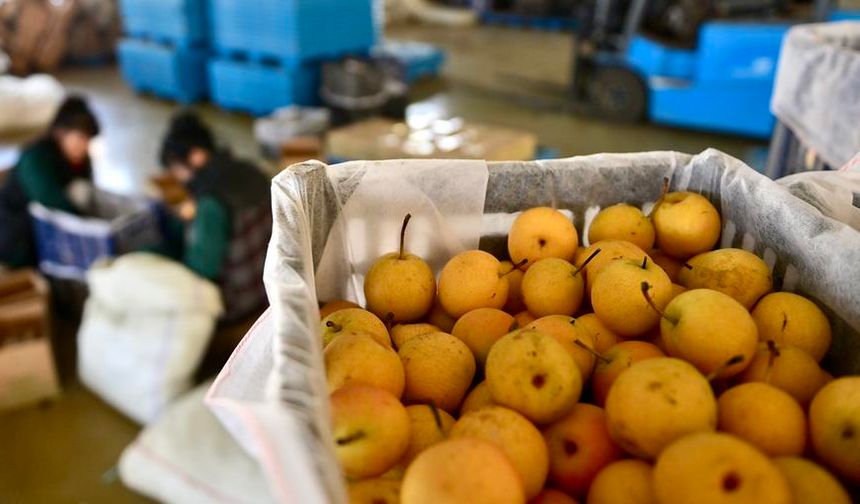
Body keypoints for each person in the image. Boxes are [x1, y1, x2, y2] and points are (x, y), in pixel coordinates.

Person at [157, 112, 272, 321]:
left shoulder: (211, 204)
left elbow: (203, 268)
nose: (177, 178)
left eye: (177, 169)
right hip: (269, 287)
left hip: (238, 303)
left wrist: (188, 224)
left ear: (196, 157)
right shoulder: (249, 170)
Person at [0, 96, 100, 268]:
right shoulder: (36, 156)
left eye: (88, 140)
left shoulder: (81, 160)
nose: (84, 147)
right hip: (17, 232)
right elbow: (49, 200)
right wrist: (89, 226)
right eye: (80, 138)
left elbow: (88, 192)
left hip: (48, 231)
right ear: (60, 133)